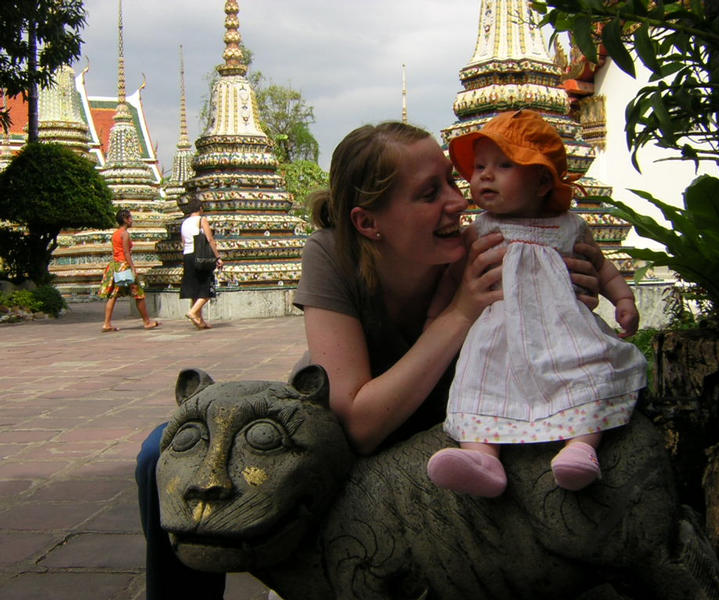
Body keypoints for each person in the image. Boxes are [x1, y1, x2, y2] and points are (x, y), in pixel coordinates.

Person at [134, 121, 603, 599]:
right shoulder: (332, 253)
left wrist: (571, 289)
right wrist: (461, 311)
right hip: (348, 428)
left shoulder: (490, 247)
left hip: (456, 432)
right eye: (428, 194)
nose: (459, 203)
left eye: (450, 181)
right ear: (367, 223)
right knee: (160, 455)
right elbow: (357, 425)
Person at [426, 109, 648, 498]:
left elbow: (601, 266)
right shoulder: (480, 229)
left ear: (543, 179)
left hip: (565, 330)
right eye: (479, 167)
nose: (484, 175)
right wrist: (436, 316)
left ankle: (580, 449)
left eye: (504, 164)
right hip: (499, 334)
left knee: (587, 374)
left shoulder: (570, 226)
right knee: (480, 383)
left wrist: (623, 299)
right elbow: (453, 279)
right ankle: (482, 459)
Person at [98, 208, 159, 332]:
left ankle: (106, 323)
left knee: (113, 295)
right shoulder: (124, 234)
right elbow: (126, 252)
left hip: (115, 266)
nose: (132, 220)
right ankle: (147, 322)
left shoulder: (115, 234)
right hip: (124, 266)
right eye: (130, 218)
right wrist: (132, 267)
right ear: (125, 220)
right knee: (138, 294)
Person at [180, 198, 223, 329]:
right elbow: (210, 239)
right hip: (200, 256)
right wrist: (218, 257)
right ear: (200, 209)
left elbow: (183, 242)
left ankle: (199, 320)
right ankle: (193, 312)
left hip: (187, 256)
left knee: (195, 289)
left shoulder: (184, 223)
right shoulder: (201, 220)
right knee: (206, 287)